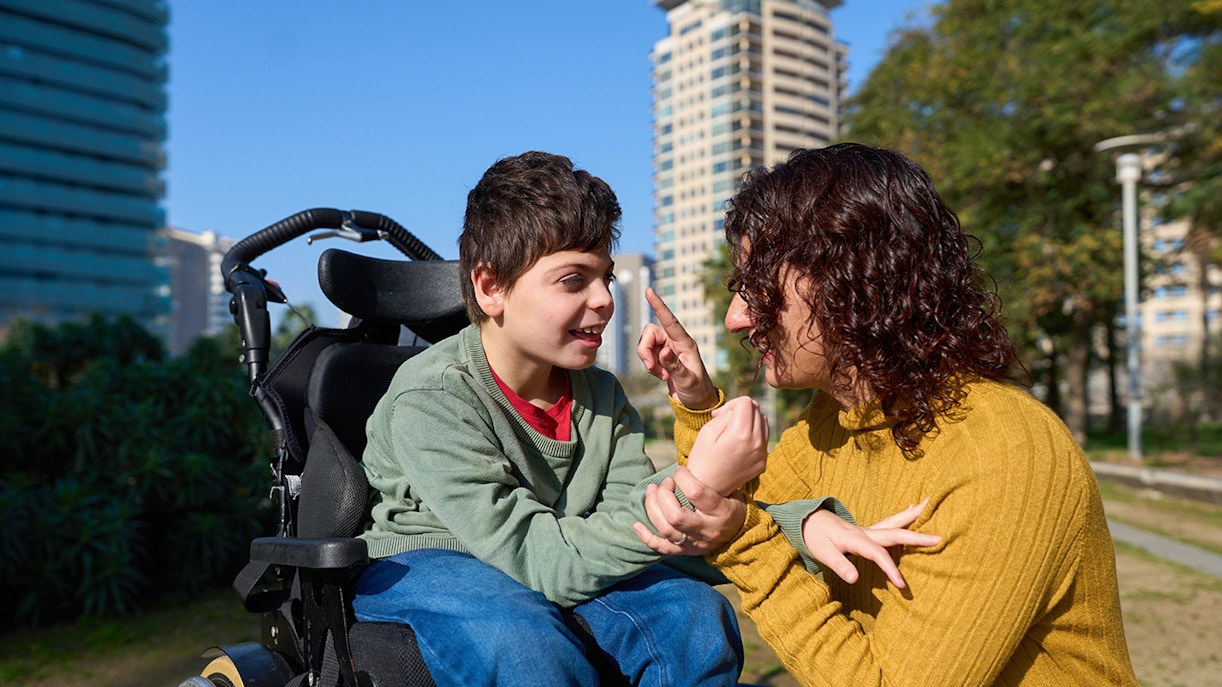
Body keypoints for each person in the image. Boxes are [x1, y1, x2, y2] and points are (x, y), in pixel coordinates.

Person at [634, 143, 1139, 686]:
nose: (736, 318)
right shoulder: (829, 426)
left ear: (847, 278)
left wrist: (745, 540)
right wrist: (696, 405)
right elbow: (716, 506)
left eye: (758, 287)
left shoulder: (1003, 450)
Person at [350, 150, 770, 687]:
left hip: (558, 549)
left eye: (606, 278)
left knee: (691, 617)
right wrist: (696, 484)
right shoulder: (431, 398)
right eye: (574, 280)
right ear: (490, 287)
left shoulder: (599, 394)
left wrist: (796, 525)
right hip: (428, 560)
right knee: (523, 645)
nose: (604, 301)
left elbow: (638, 523)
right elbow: (543, 562)